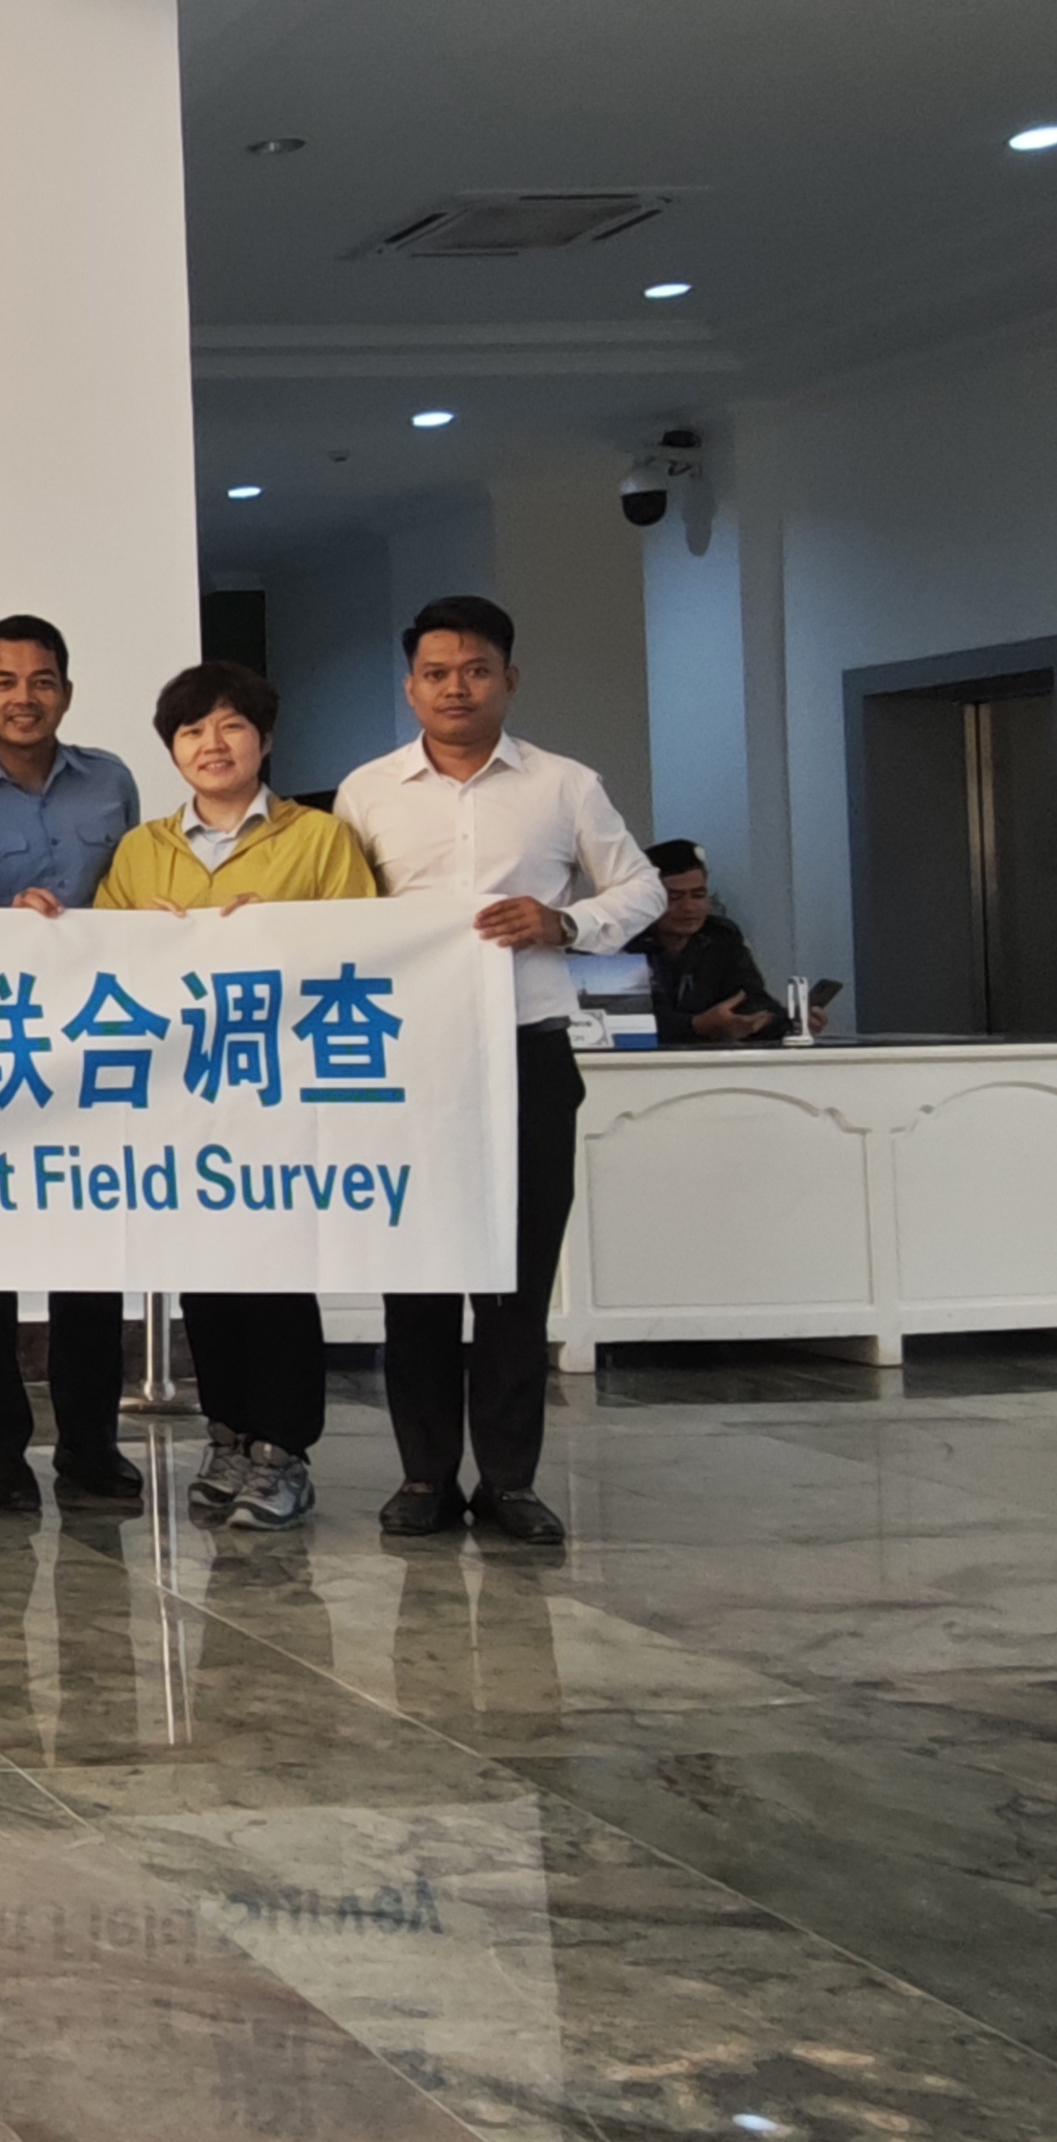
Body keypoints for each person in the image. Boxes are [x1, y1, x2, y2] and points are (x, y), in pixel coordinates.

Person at [336, 593, 663, 1548]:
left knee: (518, 1279)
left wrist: (566, 922)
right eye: (436, 673)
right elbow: (337, 910)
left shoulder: (565, 786)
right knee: (420, 1274)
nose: (457, 688)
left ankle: (511, 1482)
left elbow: (641, 888)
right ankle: (425, 1476)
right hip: (410, 1060)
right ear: (410, 689)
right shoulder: (367, 791)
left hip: (528, 1048)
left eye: (476, 671)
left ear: (509, 681)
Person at [94, 659, 380, 1530]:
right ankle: (227, 1436)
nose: (211, 745)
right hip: (181, 1102)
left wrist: (286, 935)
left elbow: (367, 951)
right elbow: (100, 962)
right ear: (172, 750)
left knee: (278, 1277)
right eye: (192, 731)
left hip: (281, 1098)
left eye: (230, 726)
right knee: (206, 1273)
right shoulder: (143, 849)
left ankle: (283, 1450)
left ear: (265, 739)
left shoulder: (319, 839)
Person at [0, 613, 151, 1517]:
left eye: (41, 681)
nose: (23, 698)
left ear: (66, 692)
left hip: (95, 1049)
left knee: (90, 1255)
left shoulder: (111, 781)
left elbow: (139, 891)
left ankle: (90, 1447)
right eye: (4, 682)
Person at [633, 841, 779, 1043]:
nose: (689, 908)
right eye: (674, 898)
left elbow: (753, 998)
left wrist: (777, 1021)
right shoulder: (621, 941)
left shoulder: (719, 937)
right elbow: (621, 1019)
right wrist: (696, 1025)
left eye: (698, 895)